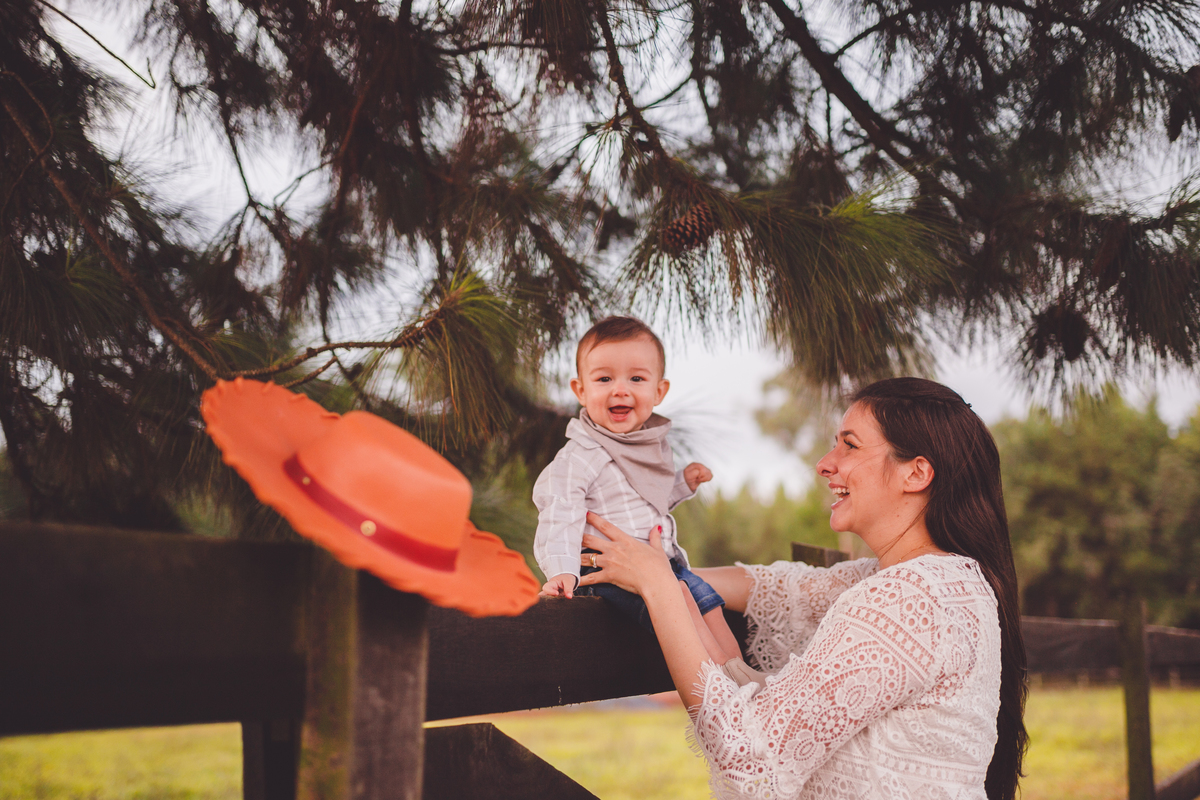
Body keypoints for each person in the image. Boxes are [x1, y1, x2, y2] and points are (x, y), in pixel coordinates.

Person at [579, 377, 1028, 800]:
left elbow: (751, 763)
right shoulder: (944, 581)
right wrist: (651, 566)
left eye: (849, 445)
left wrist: (658, 585)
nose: (825, 464)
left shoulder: (909, 598)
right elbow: (780, 589)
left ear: (916, 474)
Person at [532, 316, 744, 665]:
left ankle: (740, 674)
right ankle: (719, 682)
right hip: (614, 572)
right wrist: (561, 570)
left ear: (658, 391)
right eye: (604, 378)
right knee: (684, 604)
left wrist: (682, 483)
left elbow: (645, 501)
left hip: (662, 565)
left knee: (709, 603)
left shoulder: (646, 447)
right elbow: (559, 514)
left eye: (636, 378)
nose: (620, 389)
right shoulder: (581, 457)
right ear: (580, 390)